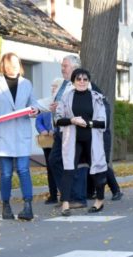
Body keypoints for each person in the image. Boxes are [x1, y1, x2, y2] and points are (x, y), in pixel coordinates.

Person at [0, 52, 47, 221]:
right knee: (5, 173)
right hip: (3, 134)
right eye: (9, 64)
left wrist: (36, 110)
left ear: (19, 65)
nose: (12, 67)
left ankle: (28, 206)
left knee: (23, 170)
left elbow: (33, 103)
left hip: (21, 133)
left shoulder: (26, 84)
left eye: (15, 64)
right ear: (3, 66)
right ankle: (6, 206)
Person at [55, 69, 108, 216]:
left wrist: (88, 123)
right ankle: (65, 203)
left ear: (89, 81)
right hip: (73, 140)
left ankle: (100, 200)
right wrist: (72, 120)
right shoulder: (66, 97)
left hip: (92, 140)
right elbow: (57, 119)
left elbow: (103, 123)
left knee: (97, 170)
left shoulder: (96, 97)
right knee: (69, 169)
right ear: (73, 82)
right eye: (78, 79)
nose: (82, 82)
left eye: (85, 79)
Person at [48, 55, 89, 209]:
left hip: (76, 131)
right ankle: (67, 195)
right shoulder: (63, 84)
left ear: (74, 67)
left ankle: (78, 198)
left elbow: (85, 105)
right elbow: (52, 102)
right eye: (62, 65)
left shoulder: (82, 82)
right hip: (61, 130)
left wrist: (62, 107)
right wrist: (37, 109)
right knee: (54, 160)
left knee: (76, 164)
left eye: (65, 65)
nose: (62, 68)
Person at [84, 84, 124, 202]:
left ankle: (116, 190)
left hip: (101, 137)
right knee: (92, 163)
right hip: (93, 137)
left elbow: (102, 123)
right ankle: (90, 192)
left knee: (101, 164)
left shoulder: (102, 104)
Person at [35, 78, 63, 205]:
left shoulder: (63, 103)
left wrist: (55, 130)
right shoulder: (45, 103)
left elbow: (65, 119)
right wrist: (42, 130)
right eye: (51, 86)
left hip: (60, 140)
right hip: (47, 141)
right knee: (50, 168)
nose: (52, 88)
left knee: (61, 167)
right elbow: (38, 120)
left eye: (55, 86)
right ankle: (53, 195)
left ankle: (64, 194)